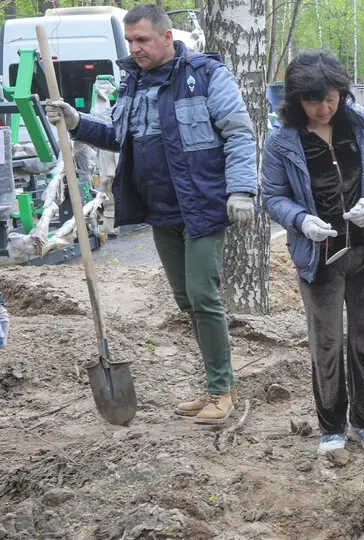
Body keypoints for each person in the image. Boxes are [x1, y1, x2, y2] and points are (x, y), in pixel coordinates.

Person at [45, 4, 257, 425]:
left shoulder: (206, 76)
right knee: (186, 300)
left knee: (202, 295)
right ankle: (215, 383)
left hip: (202, 206)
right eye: (130, 41)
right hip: (160, 210)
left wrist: (242, 190)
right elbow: (117, 136)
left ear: (166, 37)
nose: (135, 48)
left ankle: (222, 390)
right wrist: (76, 121)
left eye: (142, 40)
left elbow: (238, 133)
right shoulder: (132, 84)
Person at [261, 52, 364, 456]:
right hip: (318, 257)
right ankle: (331, 427)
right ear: (296, 100)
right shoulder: (282, 141)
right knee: (325, 342)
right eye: (313, 101)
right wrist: (302, 220)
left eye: (332, 98)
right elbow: (272, 195)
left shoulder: (361, 124)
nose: (324, 109)